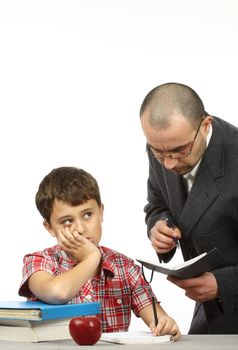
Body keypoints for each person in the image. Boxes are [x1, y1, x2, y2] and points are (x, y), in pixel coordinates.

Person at [18, 166, 180, 339]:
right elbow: (58, 293)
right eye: (67, 221)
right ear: (49, 228)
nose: (80, 229)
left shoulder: (126, 268)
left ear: (101, 212)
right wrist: (92, 257)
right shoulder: (39, 262)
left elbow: (159, 319)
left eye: (87, 215)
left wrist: (166, 326)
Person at [139, 82, 238, 334]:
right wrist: (158, 226)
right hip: (210, 311)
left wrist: (223, 284)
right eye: (158, 153)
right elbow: (157, 203)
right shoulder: (164, 145)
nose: (169, 164)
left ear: (206, 126)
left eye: (179, 152)